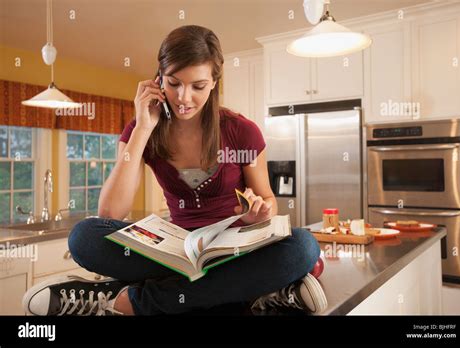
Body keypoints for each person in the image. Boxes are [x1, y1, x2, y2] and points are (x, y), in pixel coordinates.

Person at [22, 25, 328, 316]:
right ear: (158, 79)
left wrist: (257, 215)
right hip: (173, 252)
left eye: (197, 86)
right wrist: (143, 128)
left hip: (234, 249)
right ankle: (252, 289)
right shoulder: (141, 130)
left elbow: (268, 201)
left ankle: (136, 299)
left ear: (214, 83)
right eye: (173, 83)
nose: (183, 98)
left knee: (303, 246)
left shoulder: (241, 131)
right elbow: (110, 212)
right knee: (84, 238)